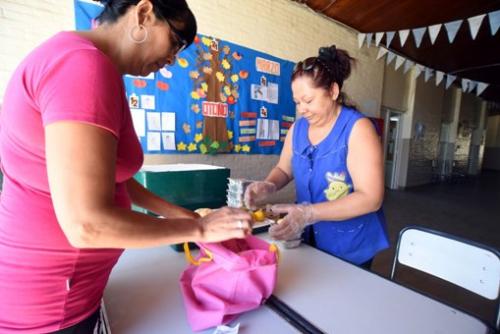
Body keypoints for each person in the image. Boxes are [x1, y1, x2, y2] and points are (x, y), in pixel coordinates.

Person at [0, 0, 252, 333]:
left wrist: (182, 215)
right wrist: (200, 230)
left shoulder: (81, 59)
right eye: (175, 42)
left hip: (67, 290)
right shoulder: (82, 66)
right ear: (144, 12)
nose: (172, 60)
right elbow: (86, 225)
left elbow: (108, 176)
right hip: (47, 306)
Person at [244, 45, 389, 269]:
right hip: (308, 237)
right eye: (297, 102)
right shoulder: (297, 129)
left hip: (349, 242)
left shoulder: (358, 129)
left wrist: (308, 213)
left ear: (333, 91)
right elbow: (284, 169)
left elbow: (371, 198)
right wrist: (269, 185)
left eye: (308, 100)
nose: (302, 109)